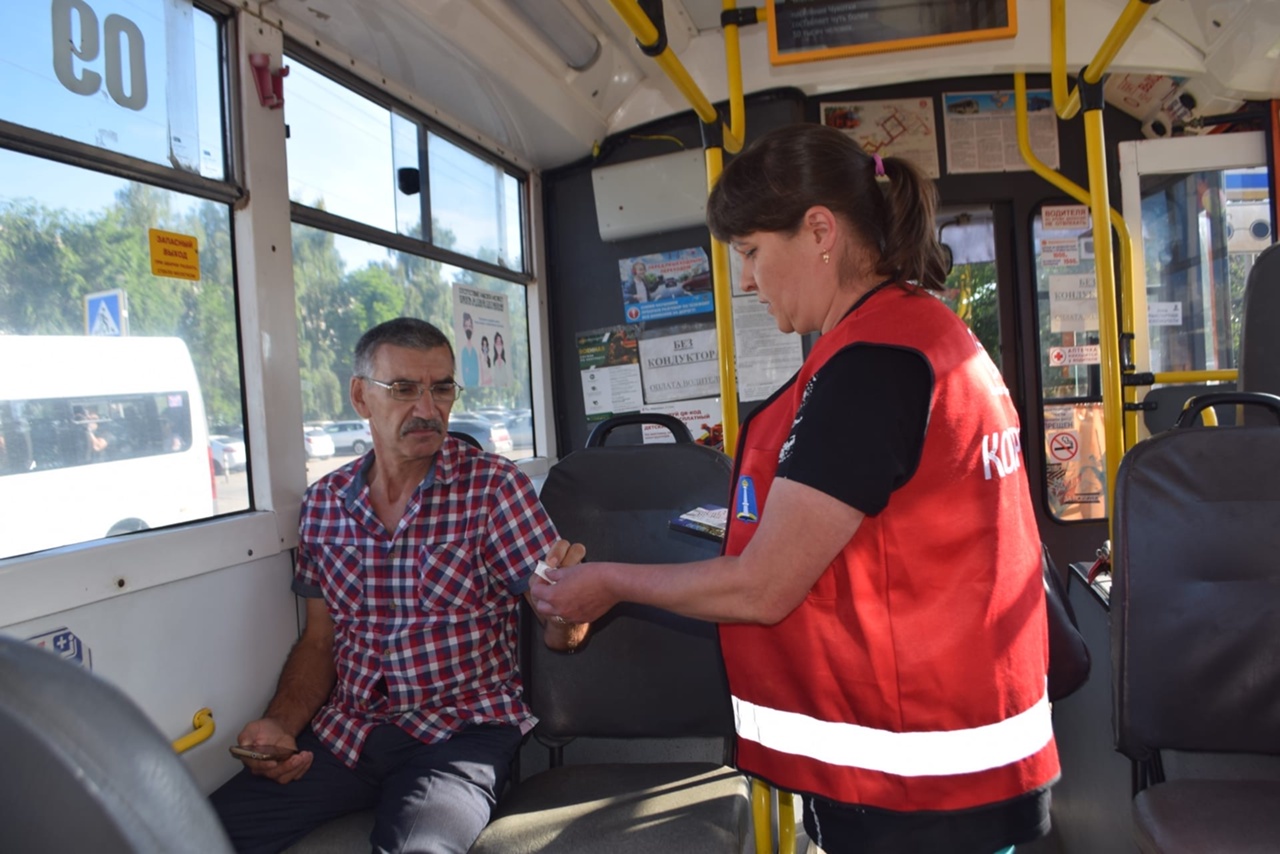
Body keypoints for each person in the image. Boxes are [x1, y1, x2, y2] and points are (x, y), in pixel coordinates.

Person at [532, 124, 1058, 854]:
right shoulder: (927, 336)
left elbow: (763, 590)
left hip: (917, 781)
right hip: (950, 756)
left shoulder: (871, 367)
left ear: (819, 232)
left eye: (750, 253)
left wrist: (611, 581)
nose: (745, 281)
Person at [211, 317, 588, 854]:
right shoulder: (325, 505)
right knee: (190, 832)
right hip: (348, 733)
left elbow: (560, 627)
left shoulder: (494, 489)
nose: (428, 409)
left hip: (460, 732)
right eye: (404, 389)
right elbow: (320, 643)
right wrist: (281, 724)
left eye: (441, 389)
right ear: (361, 397)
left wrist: (567, 615)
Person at [459, 312, 480, 389]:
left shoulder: (475, 351)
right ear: (463, 328)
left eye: (470, 326)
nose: (468, 329)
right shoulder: (463, 351)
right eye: (466, 326)